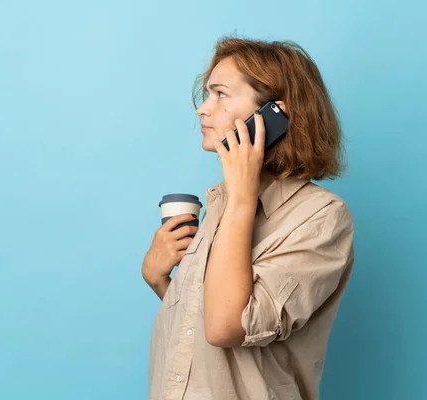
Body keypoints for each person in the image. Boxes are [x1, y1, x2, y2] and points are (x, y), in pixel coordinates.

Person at [141, 36, 355, 400]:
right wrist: (161, 281)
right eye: (206, 94)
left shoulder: (321, 218)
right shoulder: (221, 205)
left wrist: (241, 196)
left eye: (221, 94)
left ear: (275, 114)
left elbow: (227, 328)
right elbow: (206, 338)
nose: (203, 110)